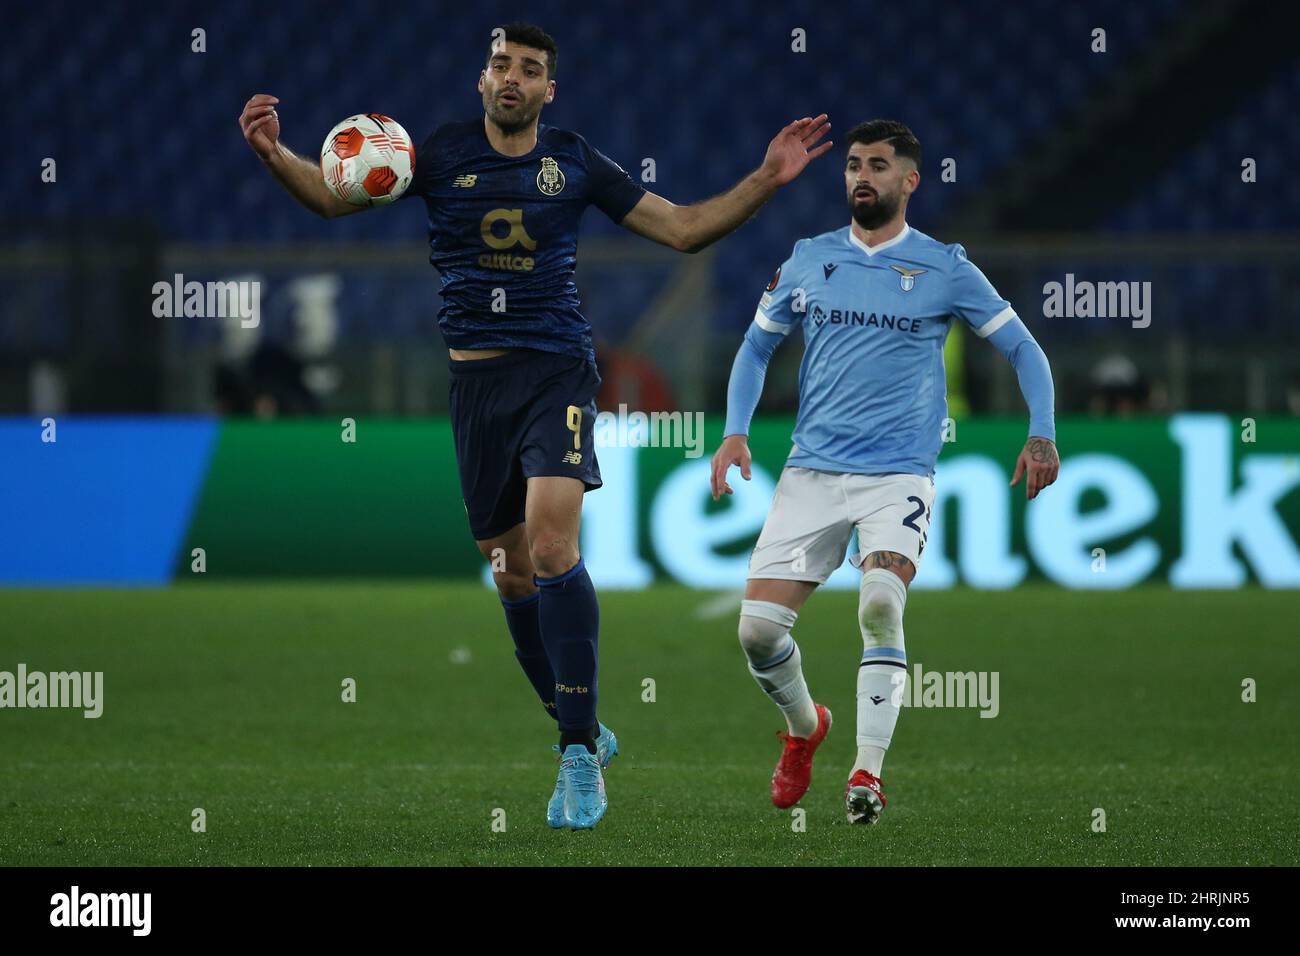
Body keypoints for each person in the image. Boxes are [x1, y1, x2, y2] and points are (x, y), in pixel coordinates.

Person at [240, 21, 832, 829]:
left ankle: (577, 758)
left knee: (553, 545)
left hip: (557, 371)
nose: (511, 78)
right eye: (499, 65)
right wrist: (278, 155)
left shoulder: (576, 161)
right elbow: (333, 200)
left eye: (528, 69)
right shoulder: (436, 155)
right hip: (476, 388)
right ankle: (580, 728)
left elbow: (685, 229)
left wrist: (767, 176)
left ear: (549, 90)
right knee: (511, 572)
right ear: (481, 80)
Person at [710, 119, 1059, 824]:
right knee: (756, 634)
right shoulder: (809, 257)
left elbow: (1025, 350)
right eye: (852, 166)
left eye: (876, 165)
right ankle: (807, 728)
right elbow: (754, 348)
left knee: (878, 603)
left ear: (909, 180)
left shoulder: (946, 266)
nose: (860, 177)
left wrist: (1042, 433)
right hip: (812, 473)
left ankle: (867, 775)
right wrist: (734, 433)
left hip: (897, 473)